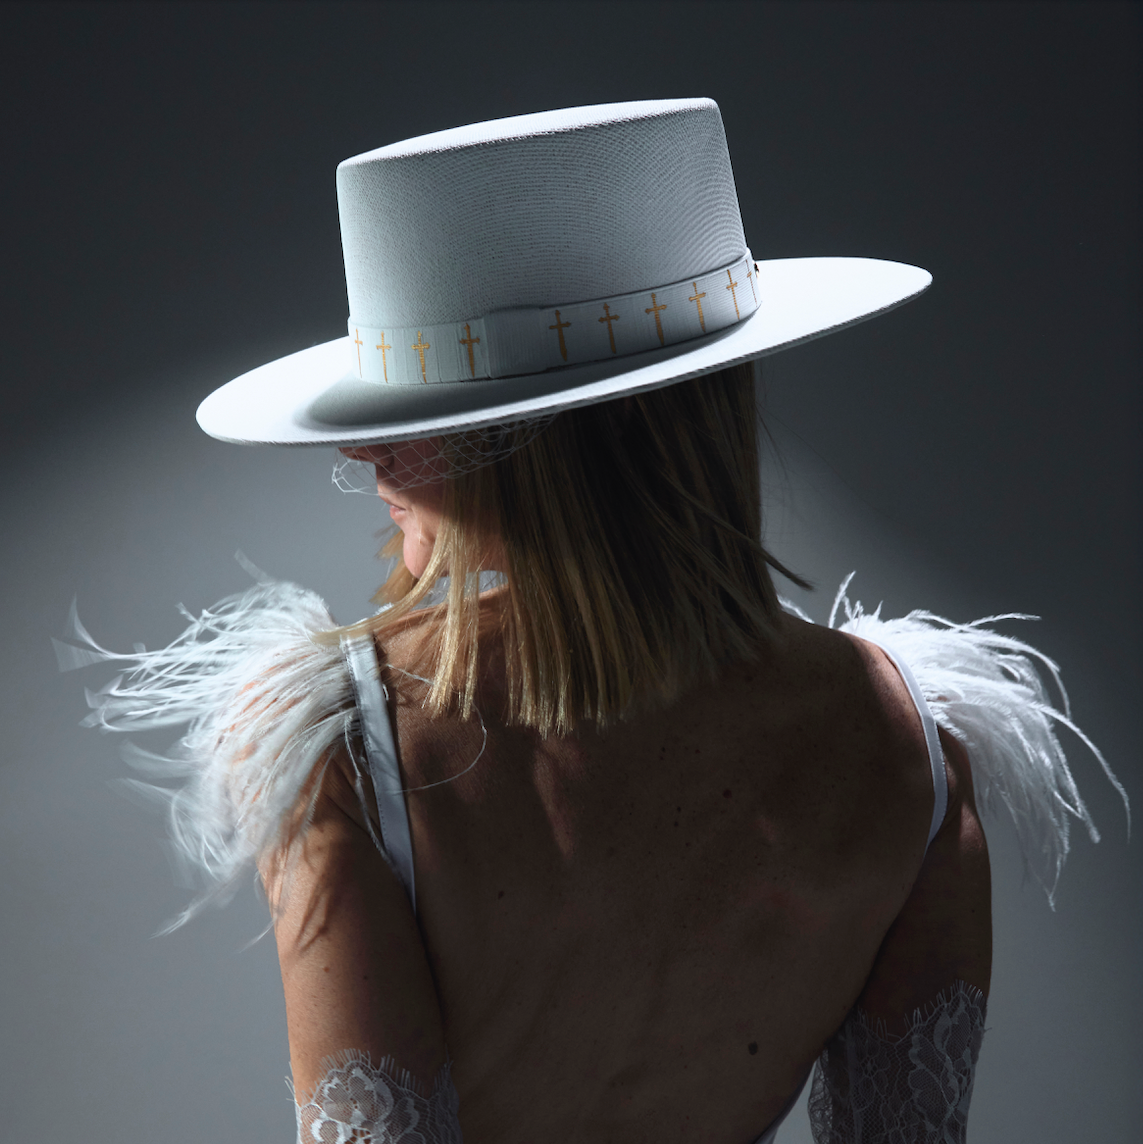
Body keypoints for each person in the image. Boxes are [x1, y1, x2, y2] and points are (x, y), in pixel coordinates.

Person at [59, 99, 1125, 1143]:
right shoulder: (910, 751)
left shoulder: (350, 750)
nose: (361, 455)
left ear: (537, 447)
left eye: (418, 417)